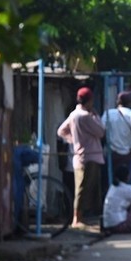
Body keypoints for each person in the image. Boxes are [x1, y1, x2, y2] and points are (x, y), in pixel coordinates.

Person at [57, 87, 105, 227]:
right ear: (89, 101)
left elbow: (61, 131)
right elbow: (101, 132)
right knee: (84, 189)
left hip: (79, 156)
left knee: (82, 188)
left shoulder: (73, 114)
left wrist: (73, 140)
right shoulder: (85, 116)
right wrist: (96, 116)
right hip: (90, 156)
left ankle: (80, 217)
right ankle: (76, 219)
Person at [102, 92, 131, 170]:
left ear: (117, 102)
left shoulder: (108, 113)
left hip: (110, 153)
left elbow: (101, 130)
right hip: (126, 154)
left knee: (109, 177)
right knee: (123, 177)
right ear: (130, 103)